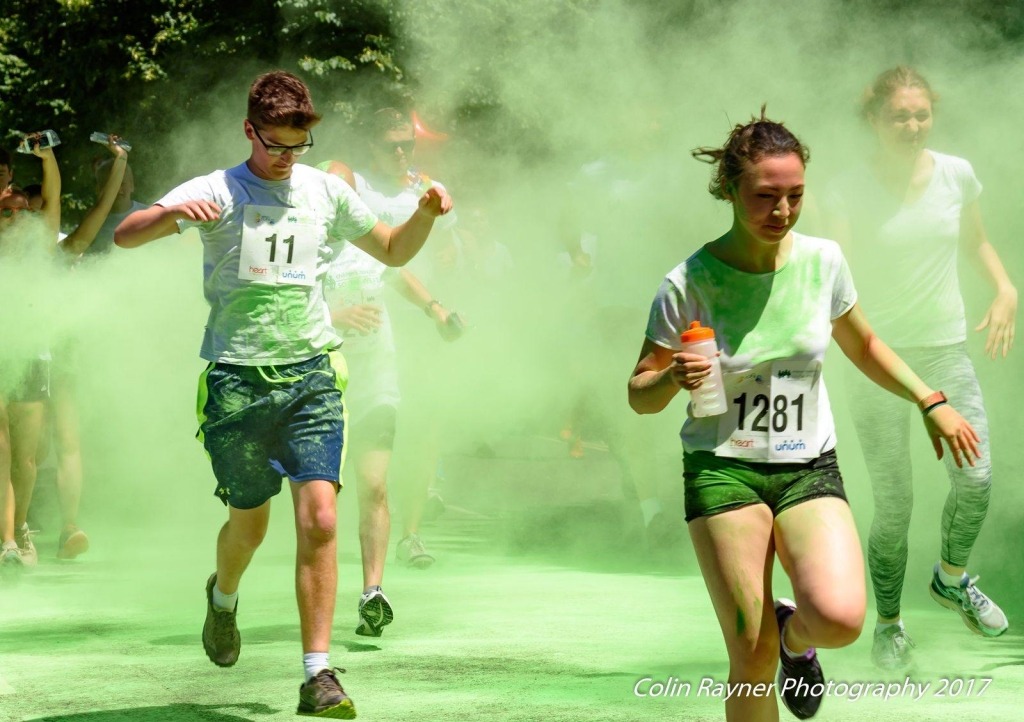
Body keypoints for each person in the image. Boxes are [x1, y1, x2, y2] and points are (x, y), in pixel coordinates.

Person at [114, 71, 451, 718]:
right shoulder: (215, 188)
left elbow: (392, 250)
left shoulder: (325, 191)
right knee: (250, 524)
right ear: (250, 130)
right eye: (275, 145)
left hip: (311, 375)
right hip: (237, 380)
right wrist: (171, 214)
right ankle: (223, 597)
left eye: (298, 147)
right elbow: (127, 235)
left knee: (321, 517)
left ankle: (318, 673)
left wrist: (426, 216)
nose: (286, 158)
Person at [627, 111, 981, 721]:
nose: (783, 211)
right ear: (731, 191)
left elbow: (865, 345)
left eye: (795, 196)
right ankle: (772, 647)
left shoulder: (823, 261)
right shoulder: (688, 281)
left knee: (841, 619)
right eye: (766, 197)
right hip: (722, 470)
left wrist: (932, 400)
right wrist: (669, 378)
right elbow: (638, 392)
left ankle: (796, 638)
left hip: (807, 466)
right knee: (750, 659)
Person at [824, 66, 1014, 672]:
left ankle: (951, 579)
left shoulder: (956, 173)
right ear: (874, 121)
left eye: (920, 114)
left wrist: (1006, 289)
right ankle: (889, 625)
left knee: (977, 476)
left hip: (944, 349)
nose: (911, 126)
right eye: (898, 116)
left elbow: (975, 242)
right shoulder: (846, 186)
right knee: (896, 504)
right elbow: (838, 273)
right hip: (877, 358)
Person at [0, 136, 61, 575]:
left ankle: (20, 527)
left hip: (31, 352)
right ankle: (6, 540)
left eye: (22, 210)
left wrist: (48, 158)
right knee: (1, 448)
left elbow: (53, 197)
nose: (15, 215)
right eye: (7, 211)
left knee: (26, 456)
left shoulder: (38, 243)